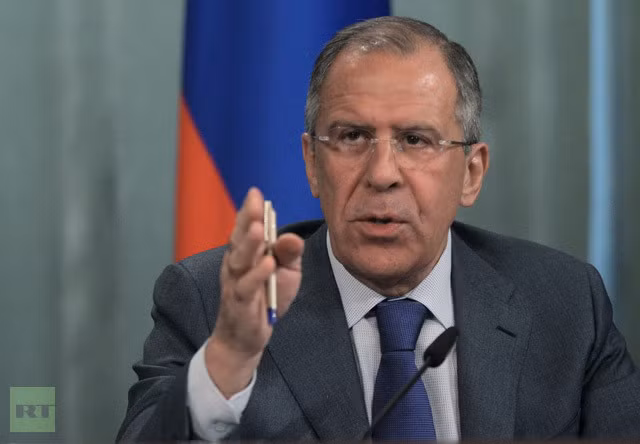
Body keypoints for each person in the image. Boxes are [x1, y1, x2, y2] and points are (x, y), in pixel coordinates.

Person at [117, 16, 640, 441]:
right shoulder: (213, 303)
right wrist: (227, 362)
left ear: (471, 173)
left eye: (415, 140)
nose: (382, 173)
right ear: (312, 163)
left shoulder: (565, 303)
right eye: (352, 136)